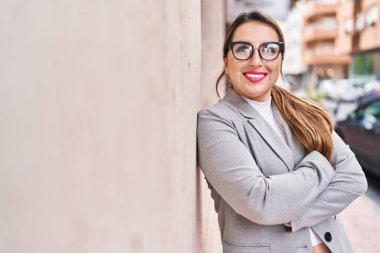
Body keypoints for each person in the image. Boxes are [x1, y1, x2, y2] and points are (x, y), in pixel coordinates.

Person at [197, 11, 367, 253]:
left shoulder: (304, 111)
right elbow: (260, 202)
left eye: (269, 49)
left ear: (280, 59)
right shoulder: (215, 122)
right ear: (226, 60)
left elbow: (353, 179)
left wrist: (292, 213)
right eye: (243, 49)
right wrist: (321, 163)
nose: (256, 61)